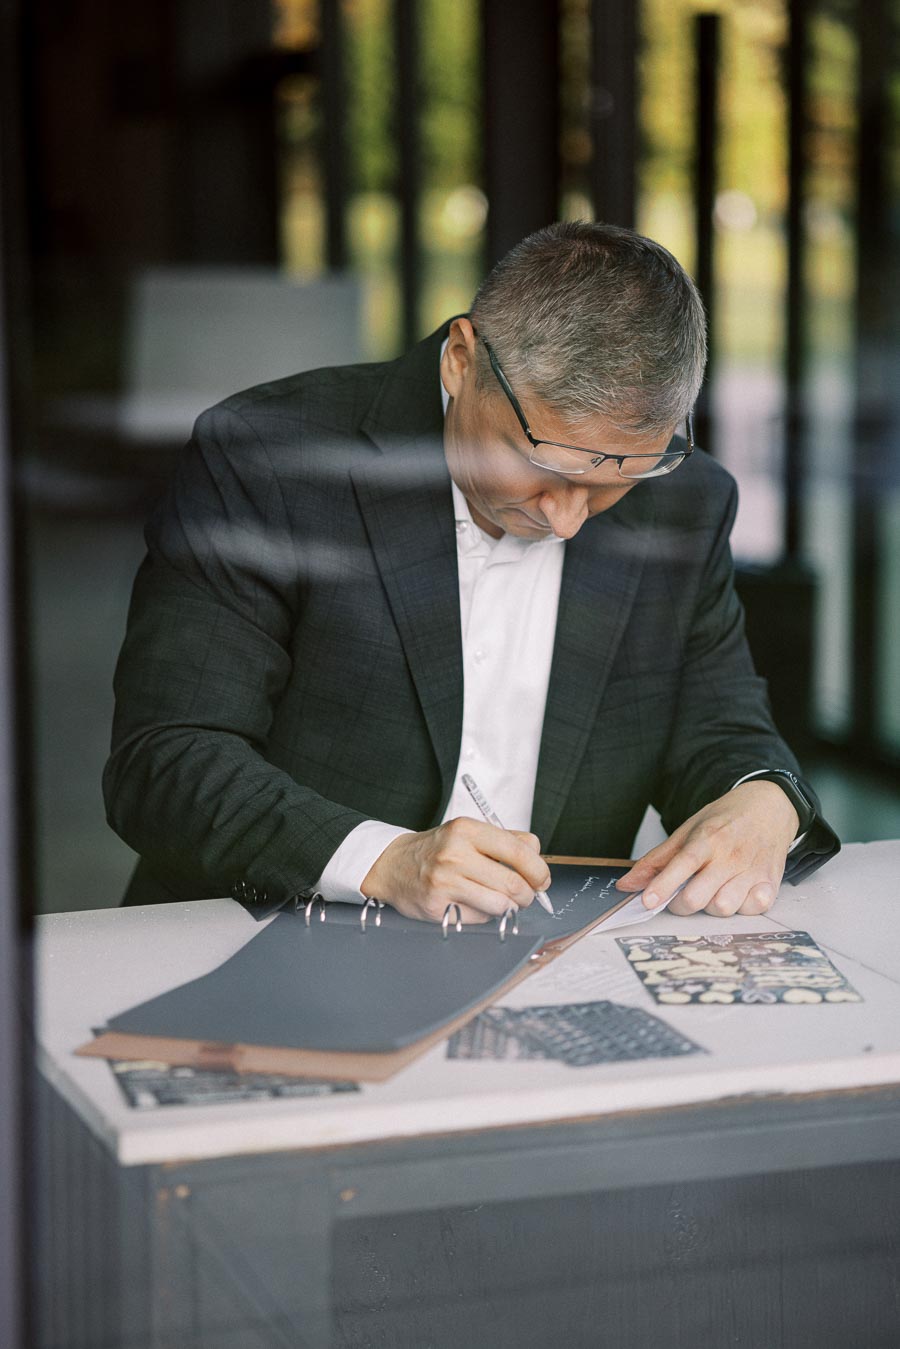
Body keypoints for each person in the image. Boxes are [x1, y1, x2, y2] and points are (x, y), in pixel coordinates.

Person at [104, 221, 839, 924]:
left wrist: (764, 798)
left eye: (614, 481)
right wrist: (382, 860)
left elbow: (719, 723)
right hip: (257, 939)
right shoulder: (269, 458)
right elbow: (165, 758)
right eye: (544, 464)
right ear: (461, 360)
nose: (568, 520)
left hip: (540, 968)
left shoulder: (686, 502)